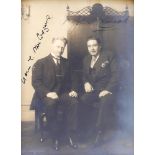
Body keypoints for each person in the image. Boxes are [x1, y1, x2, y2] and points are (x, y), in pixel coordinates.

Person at [30, 37, 78, 151]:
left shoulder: (67, 62)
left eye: (62, 47)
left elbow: (74, 79)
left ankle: (71, 135)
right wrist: (47, 93)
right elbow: (36, 82)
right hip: (47, 95)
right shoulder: (41, 62)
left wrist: (74, 89)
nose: (60, 50)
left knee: (74, 102)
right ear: (52, 46)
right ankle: (55, 137)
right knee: (51, 104)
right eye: (58, 46)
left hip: (63, 94)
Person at [80, 36, 119, 146]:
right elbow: (84, 75)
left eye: (94, 45)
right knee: (82, 99)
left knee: (104, 101)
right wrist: (85, 83)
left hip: (108, 90)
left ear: (100, 46)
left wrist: (107, 89)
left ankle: (99, 132)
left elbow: (116, 75)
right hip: (94, 91)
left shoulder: (109, 55)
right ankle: (87, 129)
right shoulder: (86, 59)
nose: (92, 48)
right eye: (89, 46)